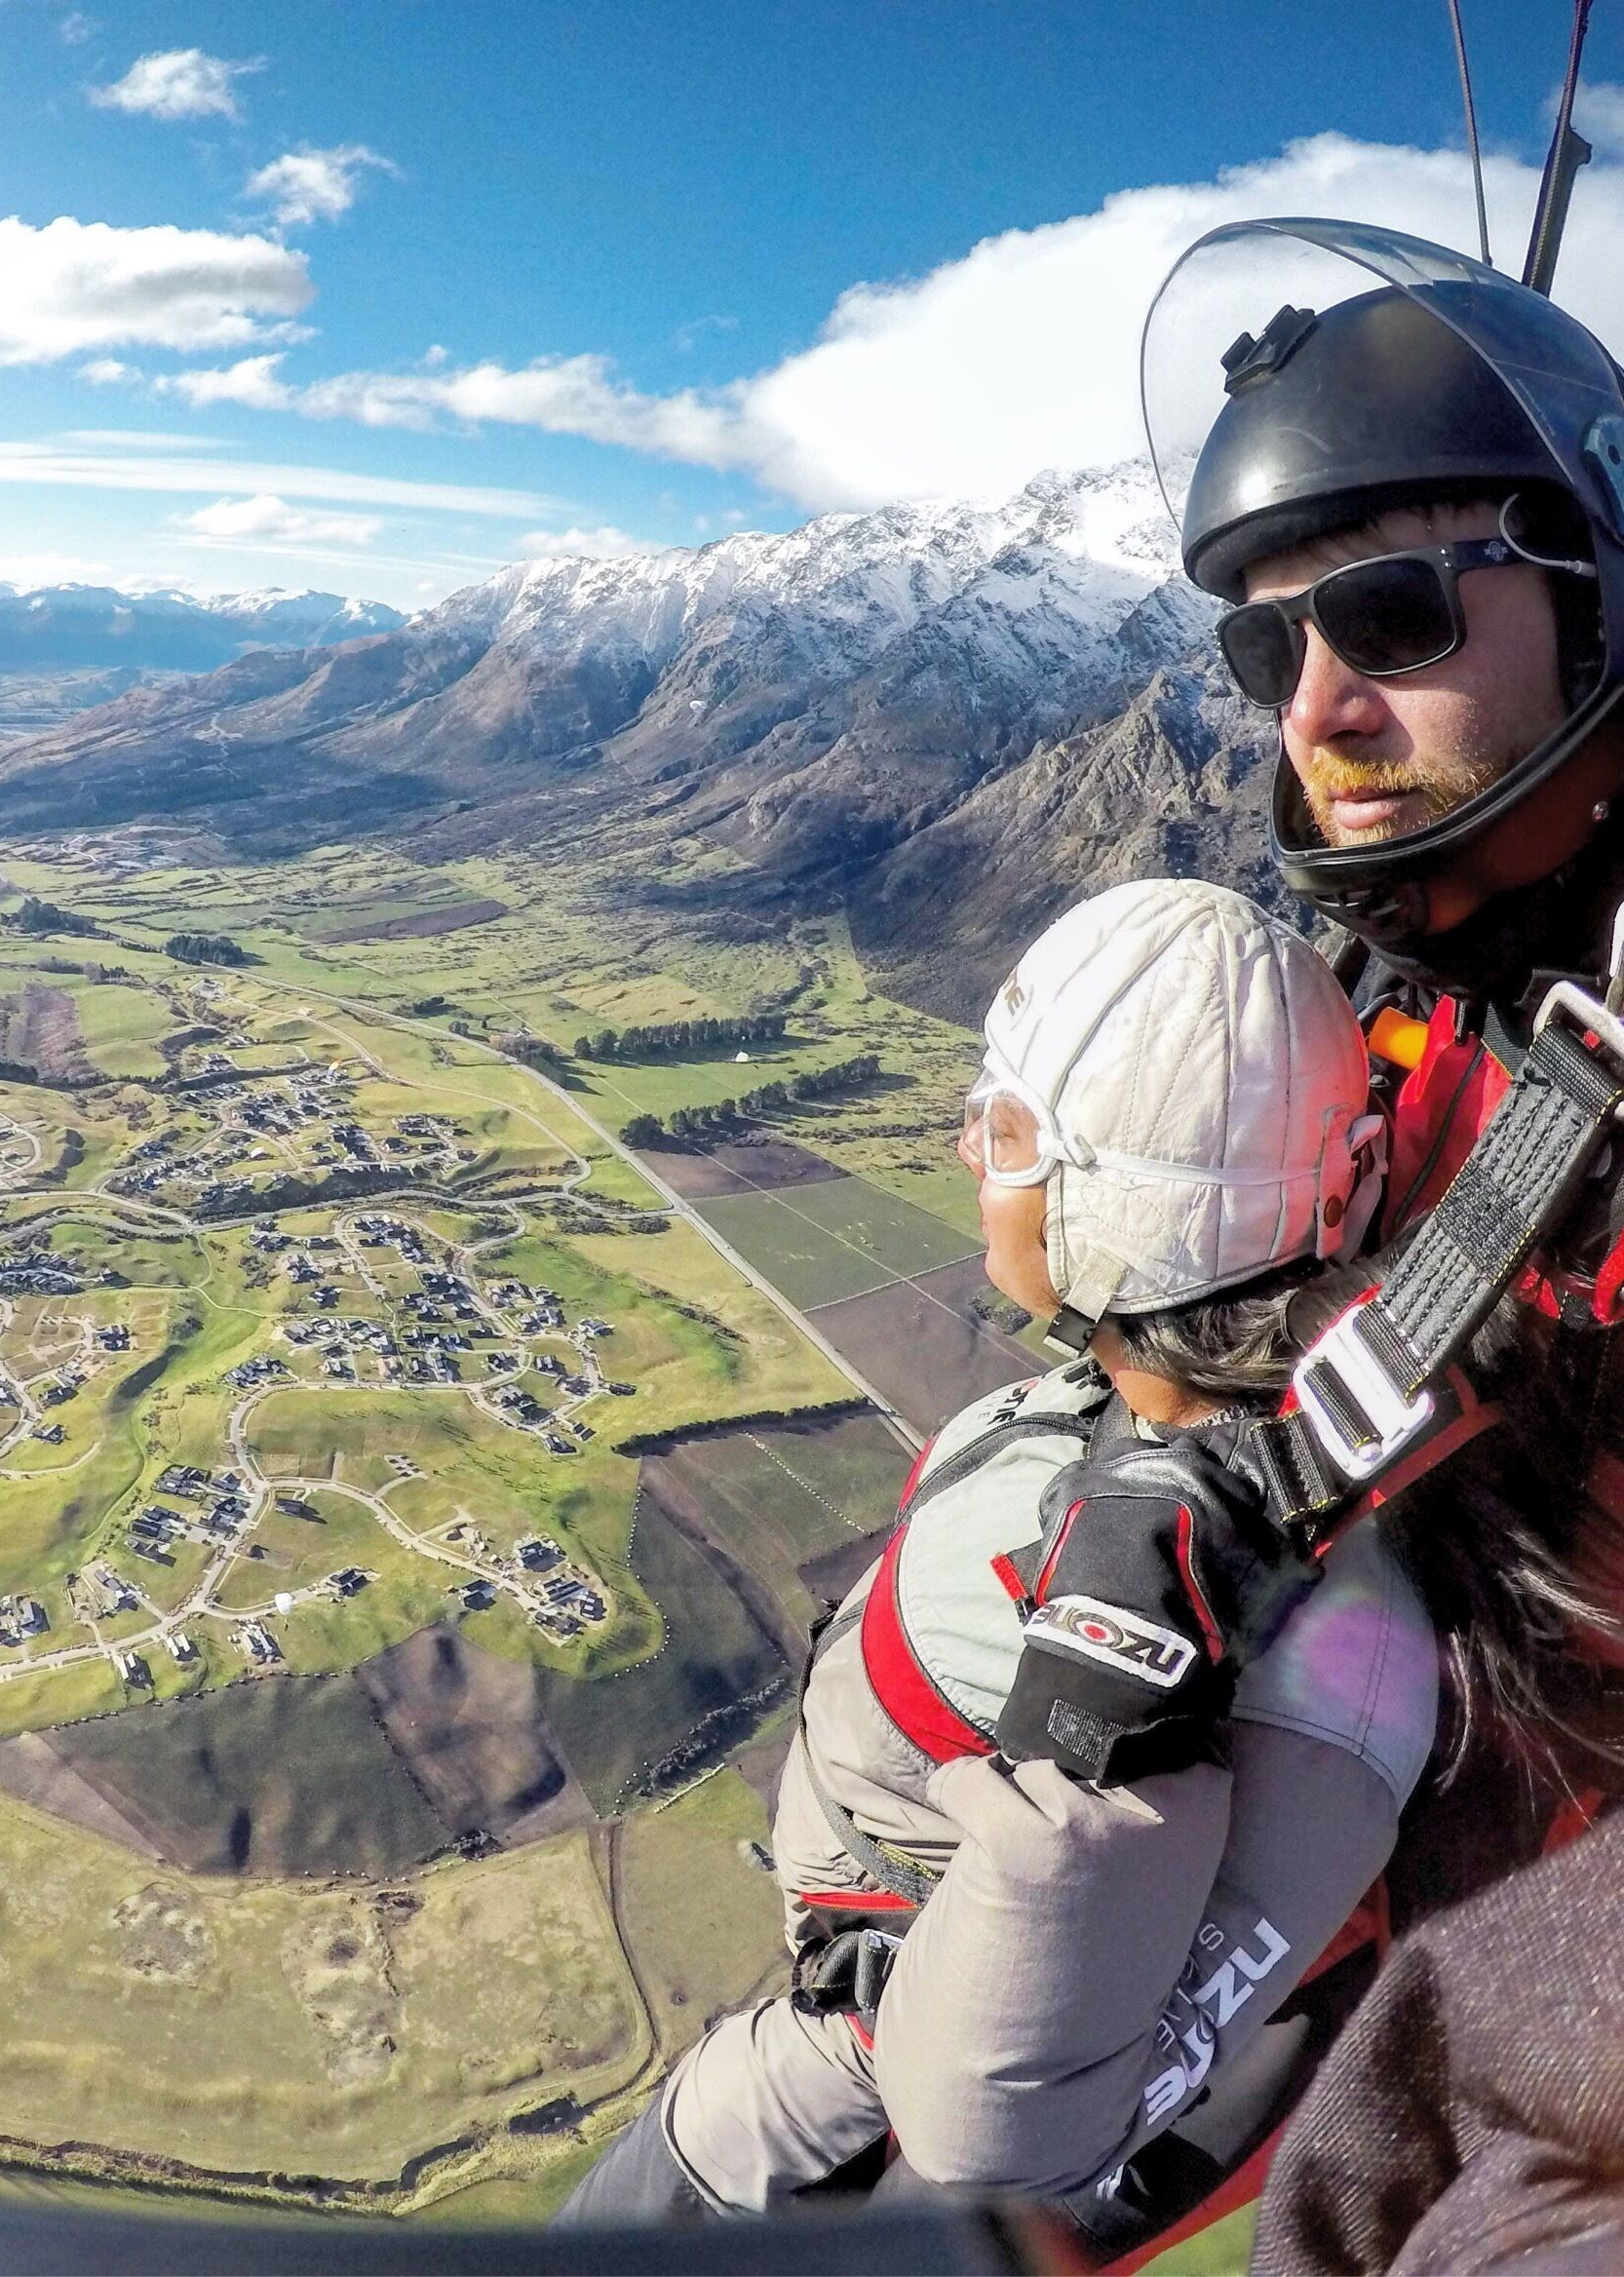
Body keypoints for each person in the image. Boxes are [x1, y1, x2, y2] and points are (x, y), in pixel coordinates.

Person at [972, 221, 1624, 2272]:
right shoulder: (1414, 984)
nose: (1317, 709)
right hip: (1405, 1822)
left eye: (1396, 611)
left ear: (1600, 606)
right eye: (1270, 651)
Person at [557, 875, 1440, 2238]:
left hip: (834, 2087)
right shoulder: (1195, 1470)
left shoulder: (1159, 1614)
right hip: (858, 2005)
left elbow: (987, 2126)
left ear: (1132, 1208)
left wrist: (843, 2037)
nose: (972, 1150)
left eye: (1013, 1131)